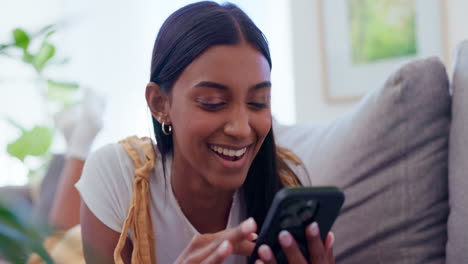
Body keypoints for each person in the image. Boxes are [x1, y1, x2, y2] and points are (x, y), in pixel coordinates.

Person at [76, 1, 336, 264]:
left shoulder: (285, 184)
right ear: (159, 103)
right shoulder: (119, 177)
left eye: (258, 102)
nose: (241, 128)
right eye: (213, 102)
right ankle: (78, 137)